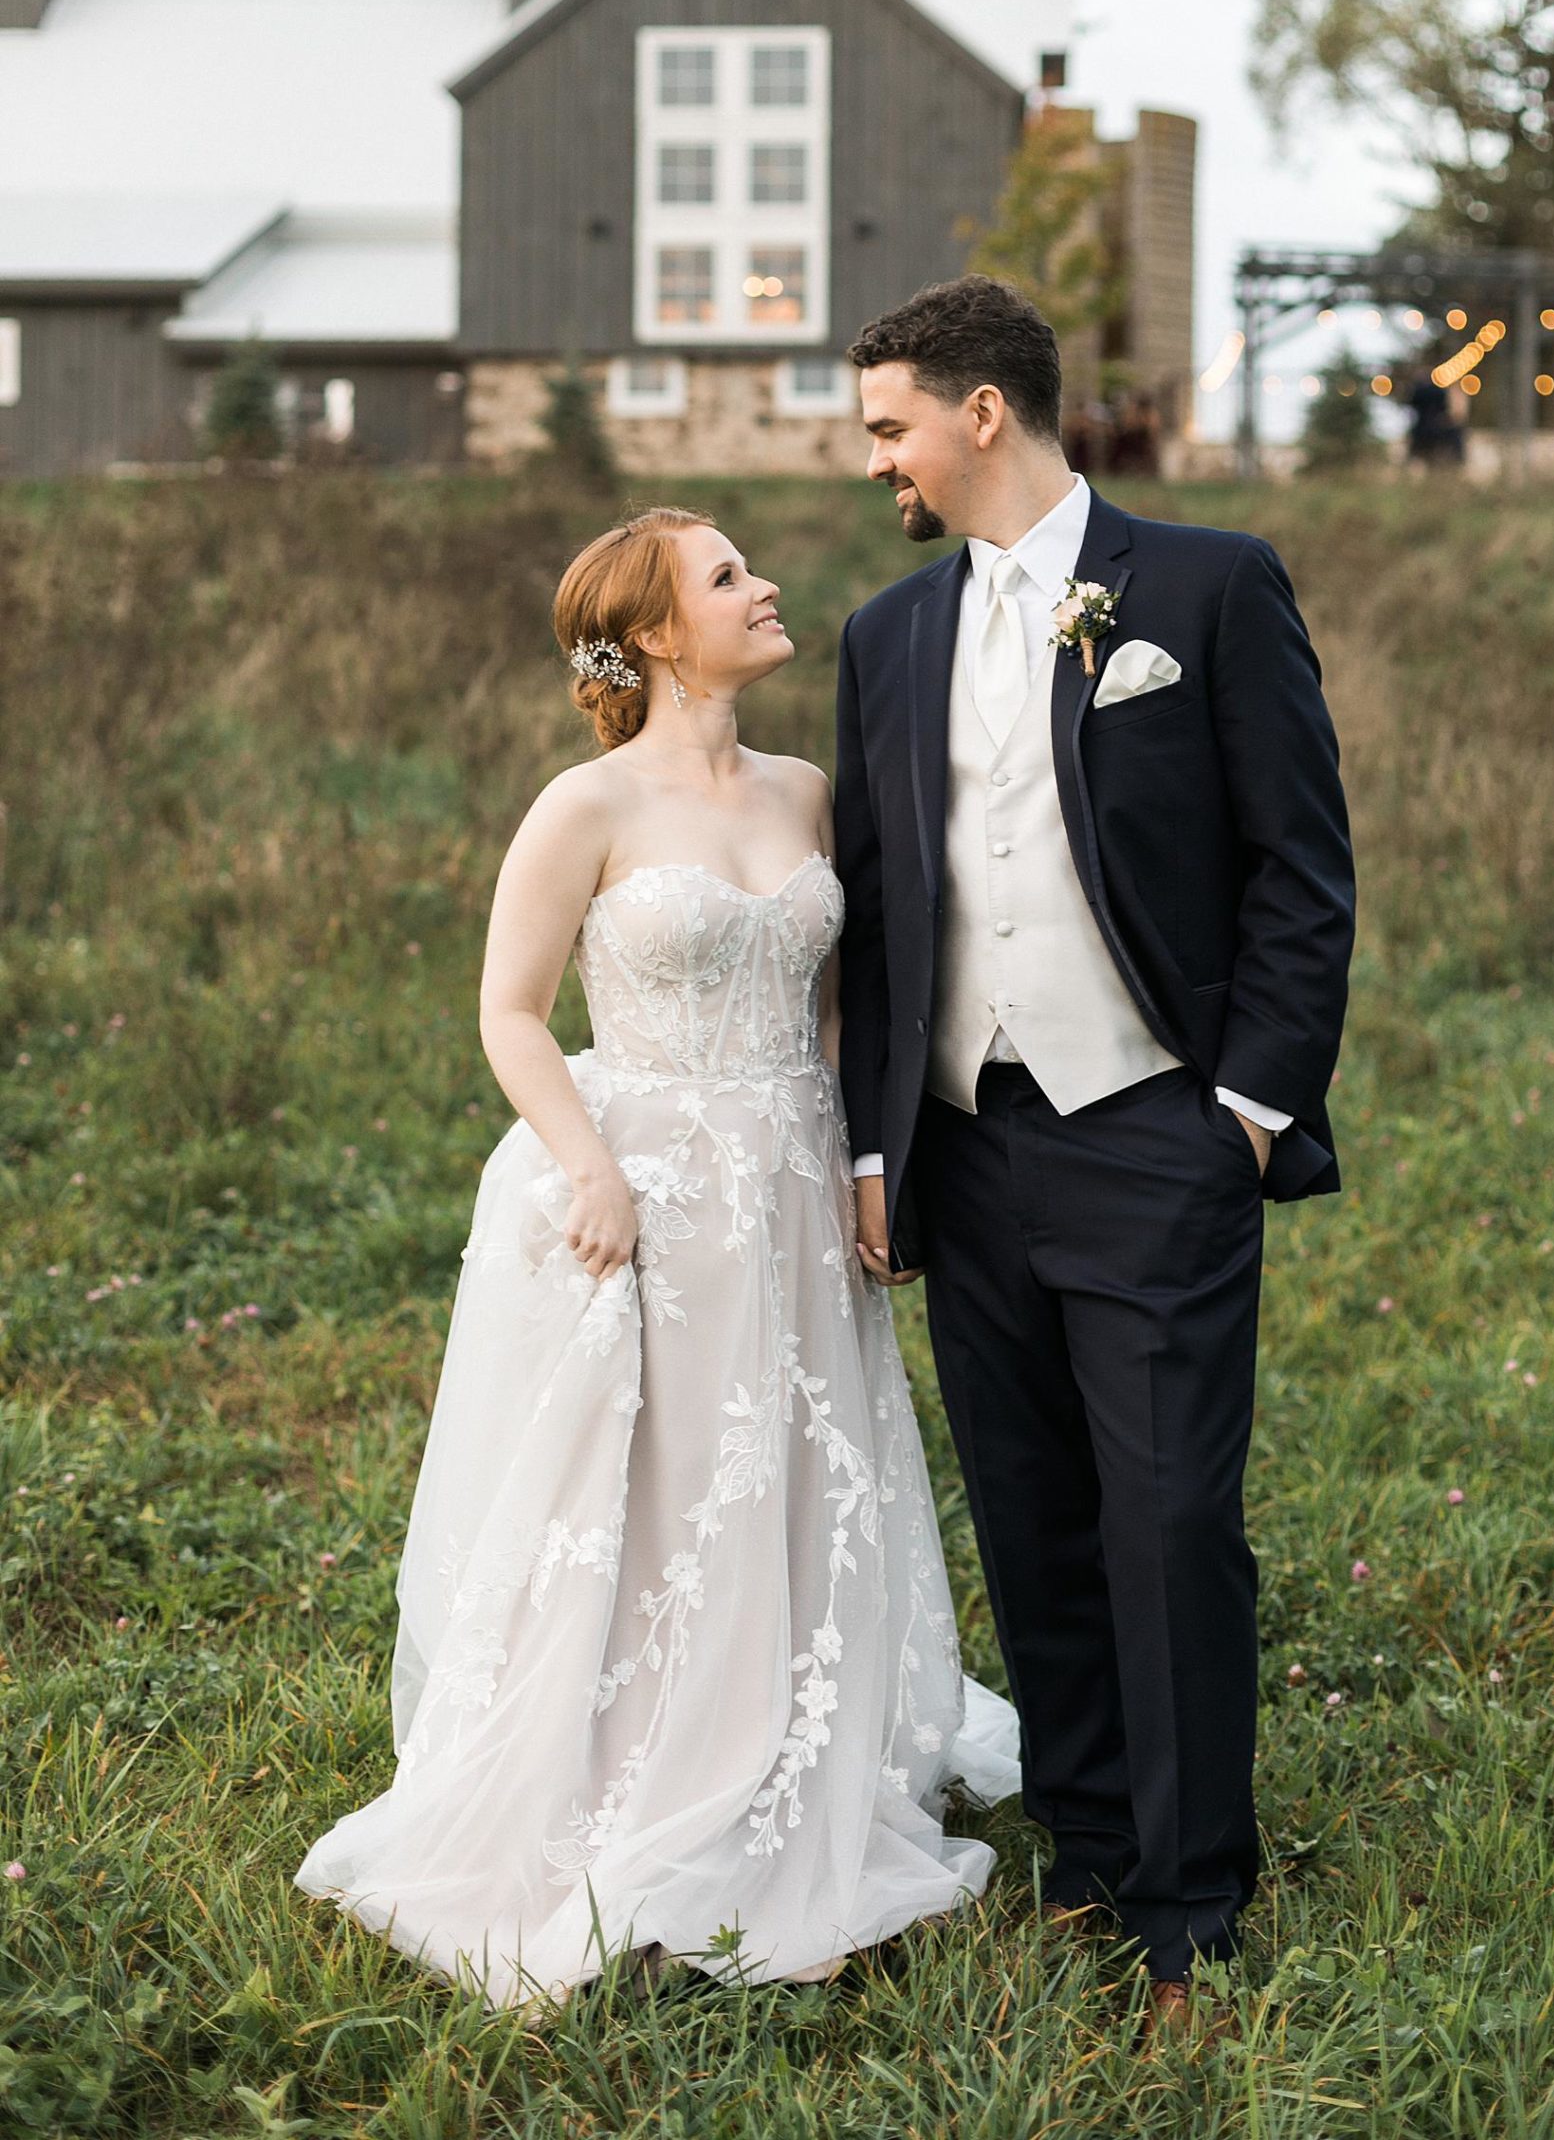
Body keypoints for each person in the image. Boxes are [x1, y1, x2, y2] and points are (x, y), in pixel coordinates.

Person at [293, 505, 1020, 2008]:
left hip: (795, 1189)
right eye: (727, 577)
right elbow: (508, 1009)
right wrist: (589, 1167)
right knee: (667, 1482)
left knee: (798, 1468)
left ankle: (791, 1744)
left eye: (750, 567)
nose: (764, 589)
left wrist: (854, 1156)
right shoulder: (585, 808)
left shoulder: (809, 791)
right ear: (654, 635)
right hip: (654, 1187)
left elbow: (833, 995)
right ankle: (633, 1770)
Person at [835, 276, 1355, 2032]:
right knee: (1036, 1515)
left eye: (891, 425)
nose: (877, 462)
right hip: (967, 1152)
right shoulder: (887, 634)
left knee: (1171, 1519)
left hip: (1154, 1133)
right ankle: (1083, 1848)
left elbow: (1300, 866)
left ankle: (1192, 1902)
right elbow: (892, 911)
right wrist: (874, 1149)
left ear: (984, 412)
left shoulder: (1206, 586)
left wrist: (1249, 1110)